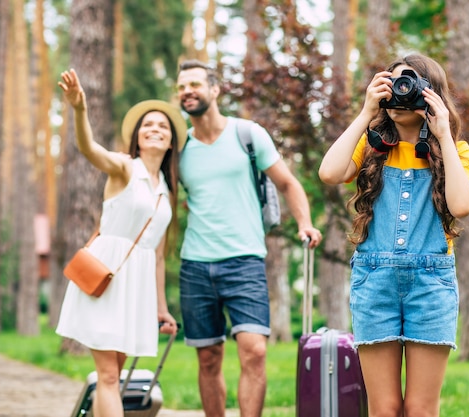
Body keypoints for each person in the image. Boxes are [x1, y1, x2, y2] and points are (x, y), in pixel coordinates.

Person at [319, 53, 469, 417]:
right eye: (392, 85)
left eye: (409, 85)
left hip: (431, 284)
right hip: (375, 282)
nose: (399, 94)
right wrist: (364, 114)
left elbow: (462, 206)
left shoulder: (456, 152)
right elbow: (329, 173)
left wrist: (442, 134)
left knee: (420, 409)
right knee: (384, 408)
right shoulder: (372, 147)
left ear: (431, 94)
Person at [174, 59, 322, 417]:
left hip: (245, 262)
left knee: (254, 351)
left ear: (214, 90)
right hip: (195, 265)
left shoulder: (247, 134)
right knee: (208, 358)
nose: (186, 92)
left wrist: (304, 222)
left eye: (194, 84)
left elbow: (287, 182)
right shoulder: (177, 148)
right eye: (180, 87)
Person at [56, 69, 185, 417]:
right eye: (148, 126)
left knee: (113, 376)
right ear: (138, 138)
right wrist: (80, 110)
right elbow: (89, 148)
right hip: (107, 276)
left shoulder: (165, 191)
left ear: (171, 142)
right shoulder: (125, 168)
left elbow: (157, 255)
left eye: (162, 126)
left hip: (137, 288)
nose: (155, 129)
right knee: (109, 376)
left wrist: (161, 307)